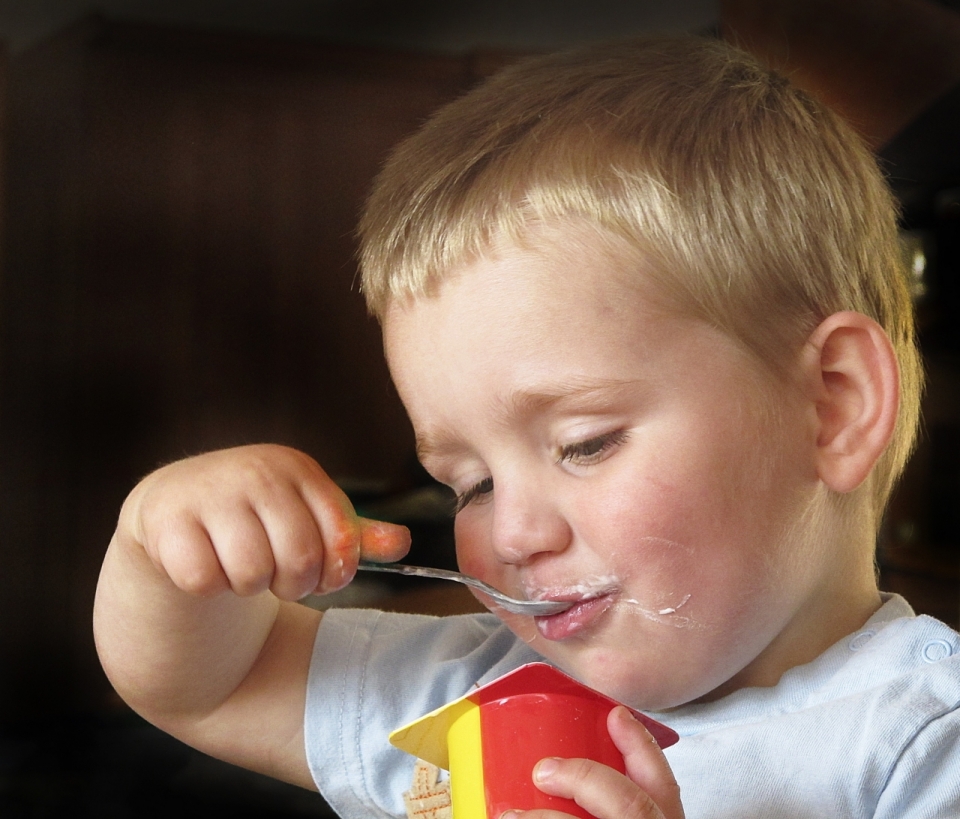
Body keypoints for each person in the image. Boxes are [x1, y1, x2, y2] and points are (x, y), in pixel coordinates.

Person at [93, 35, 960, 819]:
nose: (511, 531)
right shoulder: (477, 694)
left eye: (585, 442)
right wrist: (161, 548)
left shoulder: (922, 743)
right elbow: (212, 685)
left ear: (833, 405)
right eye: (470, 483)